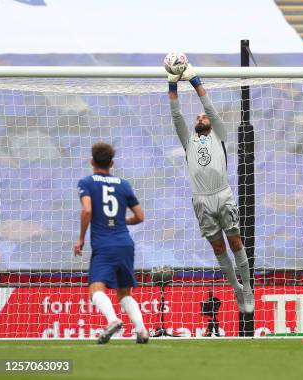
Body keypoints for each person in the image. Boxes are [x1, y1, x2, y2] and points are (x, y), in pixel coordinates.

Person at [167, 64, 254, 313]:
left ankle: (247, 288)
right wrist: (172, 83)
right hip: (202, 200)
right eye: (198, 117)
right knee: (218, 247)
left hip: (222, 194)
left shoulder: (220, 135)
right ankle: (236, 288)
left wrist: (195, 82)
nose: (199, 117)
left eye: (202, 117)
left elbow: (210, 108)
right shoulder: (188, 141)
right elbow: (176, 115)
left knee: (236, 242)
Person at [74, 142, 149, 344]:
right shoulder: (123, 184)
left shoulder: (86, 182)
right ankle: (141, 331)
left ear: (92, 161)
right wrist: (121, 220)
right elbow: (140, 216)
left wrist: (81, 238)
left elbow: (87, 210)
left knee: (96, 290)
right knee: (124, 293)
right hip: (125, 243)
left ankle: (112, 320)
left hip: (104, 244)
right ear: (112, 163)